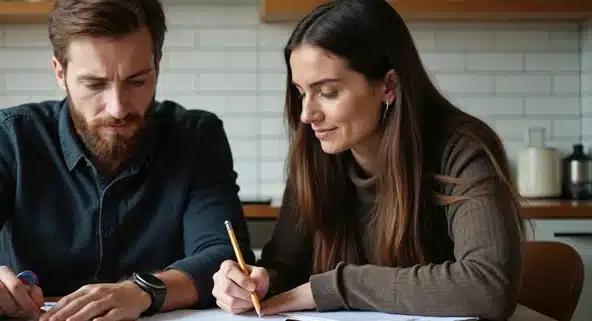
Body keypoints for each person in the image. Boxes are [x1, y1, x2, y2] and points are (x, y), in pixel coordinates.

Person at [0, 0, 256, 320]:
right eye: (95, 84)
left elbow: (224, 258)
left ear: (157, 65)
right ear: (60, 73)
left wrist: (142, 291)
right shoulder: (13, 136)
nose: (118, 108)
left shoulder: (196, 136)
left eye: (137, 81)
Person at [211, 0, 524, 320]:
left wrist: (337, 287)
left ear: (389, 85)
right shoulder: (314, 155)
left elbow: (489, 286)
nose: (306, 114)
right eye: (301, 92)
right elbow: (285, 268)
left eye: (328, 92)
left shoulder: (462, 149)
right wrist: (255, 284)